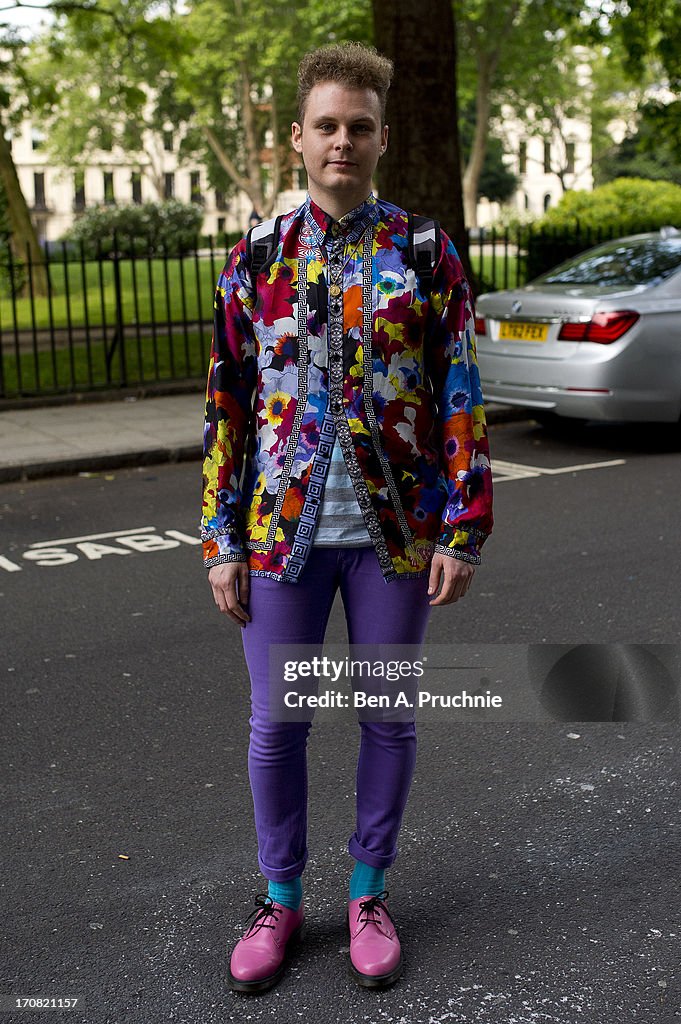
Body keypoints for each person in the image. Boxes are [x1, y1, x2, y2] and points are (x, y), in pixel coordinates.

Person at [201, 41, 493, 993]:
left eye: (358, 127)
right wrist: (218, 539)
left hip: (394, 535)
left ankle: (367, 893)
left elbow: (458, 389)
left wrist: (464, 525)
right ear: (298, 137)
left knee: (387, 719)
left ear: (379, 137)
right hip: (279, 535)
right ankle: (280, 900)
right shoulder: (255, 256)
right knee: (278, 724)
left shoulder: (422, 251)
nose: (342, 141)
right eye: (326, 125)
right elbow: (228, 400)